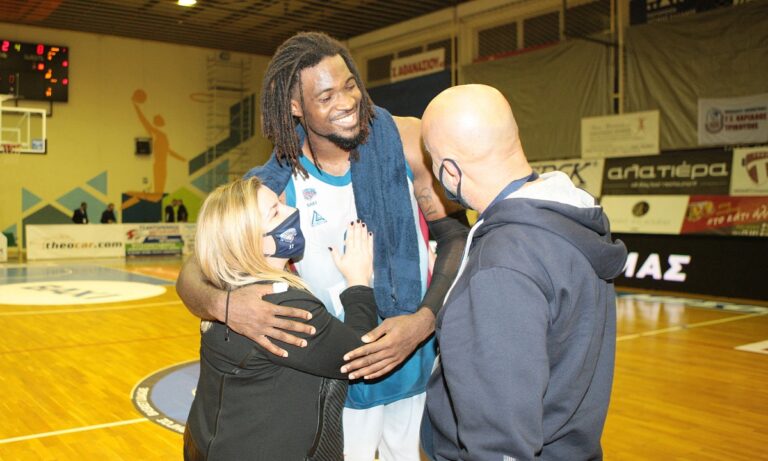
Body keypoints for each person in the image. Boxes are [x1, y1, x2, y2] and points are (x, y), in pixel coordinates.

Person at [176, 32, 468, 461]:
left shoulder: (406, 141)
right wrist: (226, 306)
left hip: (414, 365)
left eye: (350, 85)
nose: (347, 102)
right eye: (326, 96)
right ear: (296, 107)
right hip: (336, 381)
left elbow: (456, 236)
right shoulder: (273, 186)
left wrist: (424, 321)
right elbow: (195, 271)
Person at [419, 84, 628, 461]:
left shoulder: (502, 265)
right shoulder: (568, 219)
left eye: (432, 160)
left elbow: (500, 442)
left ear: (450, 170)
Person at [184, 176, 378, 460]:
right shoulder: (282, 306)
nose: (292, 211)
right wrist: (359, 282)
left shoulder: (224, 285)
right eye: (275, 212)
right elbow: (361, 355)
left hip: (205, 443)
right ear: (249, 240)